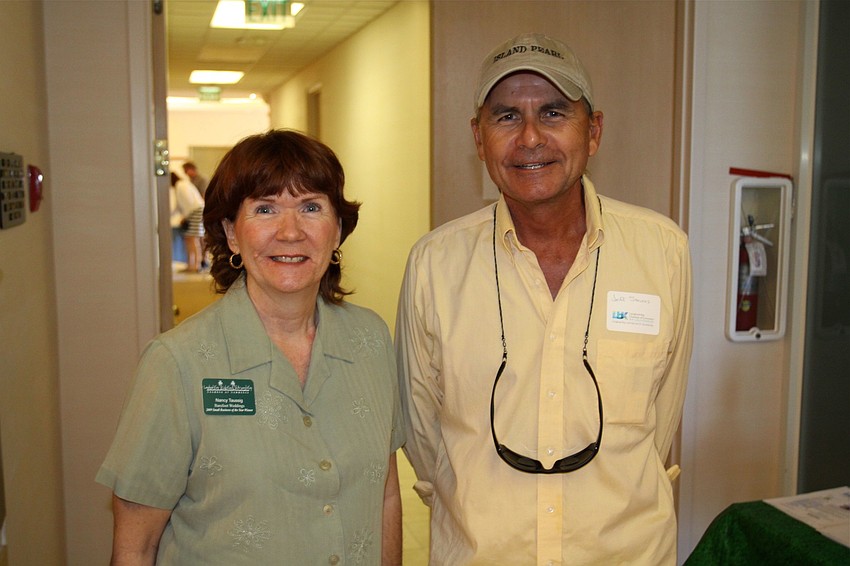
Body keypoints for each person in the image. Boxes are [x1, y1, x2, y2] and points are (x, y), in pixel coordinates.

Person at [395, 32, 693, 565]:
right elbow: (424, 437)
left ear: (594, 130)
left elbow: (662, 416)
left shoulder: (663, 251)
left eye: (554, 113)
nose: (530, 138)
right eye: (506, 117)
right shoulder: (434, 266)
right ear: (478, 137)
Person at [98, 130, 404, 565]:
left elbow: (386, 495)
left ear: (337, 230)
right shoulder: (176, 363)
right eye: (265, 209)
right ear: (231, 233)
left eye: (311, 207)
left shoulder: (370, 340)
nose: (290, 232)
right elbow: (135, 546)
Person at [170, 171, 205, 272]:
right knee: (191, 239)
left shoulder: (181, 185)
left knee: (192, 239)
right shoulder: (182, 184)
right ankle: (192, 264)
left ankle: (195, 265)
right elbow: (179, 206)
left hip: (195, 212)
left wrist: (185, 217)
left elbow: (189, 203)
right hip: (196, 211)